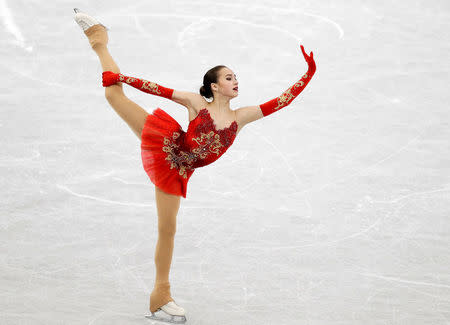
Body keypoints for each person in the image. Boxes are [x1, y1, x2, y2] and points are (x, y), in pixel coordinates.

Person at [73, 8, 316, 324]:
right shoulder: (196, 103)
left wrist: (307, 75)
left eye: (236, 77)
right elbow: (156, 88)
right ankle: (98, 39)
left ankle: (160, 297)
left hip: (182, 169)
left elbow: (282, 100)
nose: (235, 81)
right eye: (229, 77)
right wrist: (122, 78)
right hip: (168, 148)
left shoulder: (241, 117)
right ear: (214, 86)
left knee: (168, 228)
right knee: (113, 94)